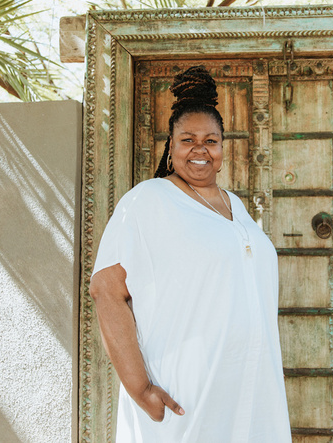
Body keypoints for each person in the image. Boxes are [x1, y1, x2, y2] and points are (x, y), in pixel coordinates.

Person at [89, 66, 292, 442]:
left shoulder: (237, 208)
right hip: (185, 391)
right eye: (188, 139)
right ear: (171, 144)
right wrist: (141, 389)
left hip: (250, 389)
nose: (200, 149)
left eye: (211, 140)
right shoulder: (147, 201)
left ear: (222, 148)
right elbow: (106, 290)